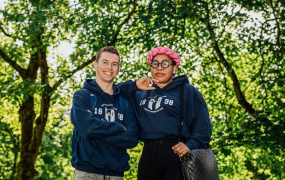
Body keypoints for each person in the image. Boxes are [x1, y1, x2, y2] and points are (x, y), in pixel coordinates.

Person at [118, 46, 212, 180]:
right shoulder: (140, 92)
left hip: (177, 153)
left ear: (174, 68)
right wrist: (134, 85)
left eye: (165, 64)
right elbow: (112, 92)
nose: (159, 68)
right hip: (148, 154)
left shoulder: (187, 91)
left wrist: (189, 145)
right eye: (155, 64)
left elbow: (203, 128)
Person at [70, 46, 139, 180]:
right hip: (86, 173)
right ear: (95, 65)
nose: (109, 67)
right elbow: (88, 128)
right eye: (105, 62)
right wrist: (118, 128)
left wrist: (96, 132)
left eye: (114, 64)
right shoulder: (82, 96)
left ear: (118, 69)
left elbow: (131, 138)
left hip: (116, 175)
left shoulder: (125, 102)